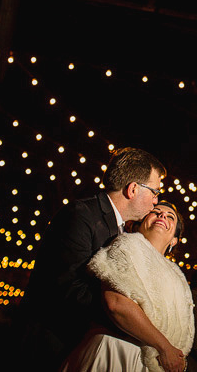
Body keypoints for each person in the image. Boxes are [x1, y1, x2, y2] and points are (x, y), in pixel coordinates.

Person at [18, 146, 165, 370]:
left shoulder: (124, 231)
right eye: (155, 192)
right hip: (50, 346)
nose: (156, 201)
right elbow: (67, 287)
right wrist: (126, 317)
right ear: (133, 189)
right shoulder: (81, 216)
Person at [62, 201, 194, 372]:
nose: (162, 216)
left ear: (174, 240)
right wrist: (164, 347)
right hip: (116, 352)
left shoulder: (177, 277)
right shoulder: (126, 246)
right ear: (138, 225)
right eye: (156, 212)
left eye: (170, 217)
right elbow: (116, 303)